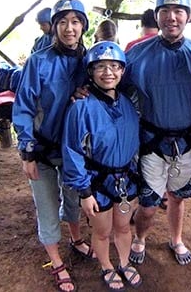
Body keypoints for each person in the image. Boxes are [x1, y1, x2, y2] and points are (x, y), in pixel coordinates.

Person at [125, 0, 191, 266]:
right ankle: (139, 237)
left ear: (187, 17)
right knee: (149, 204)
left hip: (186, 140)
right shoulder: (137, 55)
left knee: (177, 197)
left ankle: (176, 239)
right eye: (165, 11)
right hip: (151, 140)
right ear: (156, 16)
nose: (171, 17)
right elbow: (117, 89)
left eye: (178, 11)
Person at [12, 0, 96, 292]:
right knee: (47, 204)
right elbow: (23, 107)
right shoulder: (39, 61)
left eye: (75, 22)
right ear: (54, 27)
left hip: (74, 152)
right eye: (62, 22)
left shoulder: (90, 62)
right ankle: (56, 261)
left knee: (73, 199)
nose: (69, 28)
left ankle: (76, 238)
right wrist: (27, 151)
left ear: (83, 26)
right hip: (43, 148)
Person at [63, 41, 142, 291]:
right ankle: (107, 265)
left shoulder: (129, 105)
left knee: (122, 226)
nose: (108, 72)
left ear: (122, 71)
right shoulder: (81, 107)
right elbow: (72, 151)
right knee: (102, 230)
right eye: (100, 67)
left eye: (114, 66)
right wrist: (84, 192)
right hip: (96, 181)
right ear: (91, 72)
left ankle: (125, 261)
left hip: (126, 178)